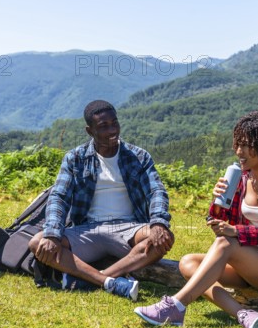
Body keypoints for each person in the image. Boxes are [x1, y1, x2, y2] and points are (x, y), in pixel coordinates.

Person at [134, 111, 258, 328]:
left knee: (227, 243)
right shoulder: (242, 179)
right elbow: (220, 221)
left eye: (245, 145)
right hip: (245, 260)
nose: (238, 152)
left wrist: (236, 231)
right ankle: (244, 315)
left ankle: (175, 306)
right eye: (237, 144)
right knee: (187, 263)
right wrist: (217, 202)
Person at [28, 100, 174, 301]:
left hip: (129, 229)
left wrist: (158, 222)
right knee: (37, 242)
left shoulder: (138, 156)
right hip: (88, 230)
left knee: (164, 239)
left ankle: (94, 279)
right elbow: (58, 197)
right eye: (103, 127)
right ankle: (109, 282)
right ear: (90, 131)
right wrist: (52, 234)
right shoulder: (75, 158)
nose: (112, 130)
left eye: (115, 123)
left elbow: (156, 191)